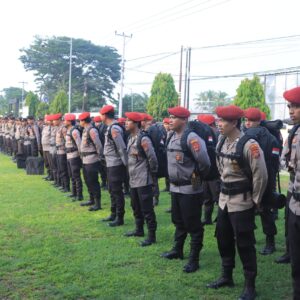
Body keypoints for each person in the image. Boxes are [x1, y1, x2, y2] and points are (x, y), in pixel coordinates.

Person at [207, 105, 268, 300]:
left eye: (223, 121)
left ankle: (250, 285)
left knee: (244, 243)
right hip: (224, 200)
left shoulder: (249, 145)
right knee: (223, 238)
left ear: (234, 123)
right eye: (218, 120)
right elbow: (219, 167)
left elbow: (261, 175)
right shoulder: (221, 141)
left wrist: (256, 200)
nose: (219, 124)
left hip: (242, 201)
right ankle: (227, 276)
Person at [161, 106, 211, 273]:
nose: (170, 120)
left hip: (190, 188)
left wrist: (196, 178)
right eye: (170, 117)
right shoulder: (171, 136)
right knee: (178, 220)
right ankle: (177, 249)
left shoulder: (192, 138)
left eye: (174, 117)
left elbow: (204, 162)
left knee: (194, 225)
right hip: (175, 188)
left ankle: (194, 259)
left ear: (184, 120)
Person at [243, 108, 278, 255]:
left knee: (265, 210)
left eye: (251, 120)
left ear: (258, 121)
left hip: (263, 177)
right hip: (256, 177)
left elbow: (275, 160)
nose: (247, 123)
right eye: (246, 120)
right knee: (250, 209)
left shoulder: (269, 138)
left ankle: (270, 242)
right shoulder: (271, 137)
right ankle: (250, 238)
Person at [124, 112, 158, 247]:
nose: (126, 123)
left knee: (147, 208)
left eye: (128, 121)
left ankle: (151, 235)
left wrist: (152, 173)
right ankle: (139, 230)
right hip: (133, 178)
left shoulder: (143, 139)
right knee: (135, 205)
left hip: (143, 178)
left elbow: (153, 158)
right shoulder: (130, 137)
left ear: (136, 123)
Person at [282, 86, 300, 299]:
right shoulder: (294, 132)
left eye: (296, 106)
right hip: (295, 204)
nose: (291, 111)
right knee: (296, 261)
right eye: (290, 106)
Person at [100, 105, 128, 227]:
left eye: (101, 114)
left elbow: (121, 148)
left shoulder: (114, 129)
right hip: (110, 163)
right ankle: (113, 213)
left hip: (116, 164)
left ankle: (119, 217)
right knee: (112, 189)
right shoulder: (110, 127)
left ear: (105, 115)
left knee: (117, 191)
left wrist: (126, 164)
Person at [197, 114, 220, 225]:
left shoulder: (214, 133)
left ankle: (219, 218)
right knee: (208, 197)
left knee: (217, 197)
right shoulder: (207, 132)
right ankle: (207, 218)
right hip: (208, 172)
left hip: (213, 172)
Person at [79, 112, 103, 211]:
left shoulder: (92, 130)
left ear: (84, 121)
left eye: (80, 120)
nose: (79, 122)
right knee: (87, 180)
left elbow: (98, 145)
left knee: (93, 181)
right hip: (85, 159)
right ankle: (91, 199)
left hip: (92, 159)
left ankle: (97, 203)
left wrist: (100, 157)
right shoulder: (85, 130)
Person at [64, 113, 83, 201]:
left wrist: (81, 156)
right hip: (69, 155)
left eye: (65, 120)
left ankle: (79, 195)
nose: (64, 122)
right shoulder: (69, 130)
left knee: (76, 175)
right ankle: (74, 193)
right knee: (71, 175)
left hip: (74, 155)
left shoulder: (74, 131)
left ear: (70, 121)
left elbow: (79, 145)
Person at [55, 114, 70, 193]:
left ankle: (66, 187)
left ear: (59, 120)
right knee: (60, 169)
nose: (53, 122)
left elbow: (66, 140)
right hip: (58, 150)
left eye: (55, 120)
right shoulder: (59, 128)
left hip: (63, 151)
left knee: (64, 169)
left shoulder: (63, 128)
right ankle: (63, 185)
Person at [41, 115, 52, 181]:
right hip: (44, 147)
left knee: (50, 163)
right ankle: (48, 174)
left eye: (47, 119)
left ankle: (52, 176)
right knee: (46, 162)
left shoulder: (51, 128)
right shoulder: (45, 127)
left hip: (49, 148)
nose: (45, 120)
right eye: (45, 119)